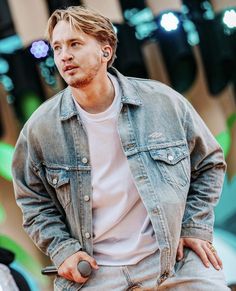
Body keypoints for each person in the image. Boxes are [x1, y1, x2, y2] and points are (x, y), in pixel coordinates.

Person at [12, 5, 230, 291]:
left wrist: (194, 226)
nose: (64, 55)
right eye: (57, 47)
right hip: (94, 272)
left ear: (106, 50)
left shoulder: (162, 102)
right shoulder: (41, 128)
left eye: (75, 44)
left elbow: (209, 163)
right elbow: (31, 200)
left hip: (172, 257)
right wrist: (62, 249)